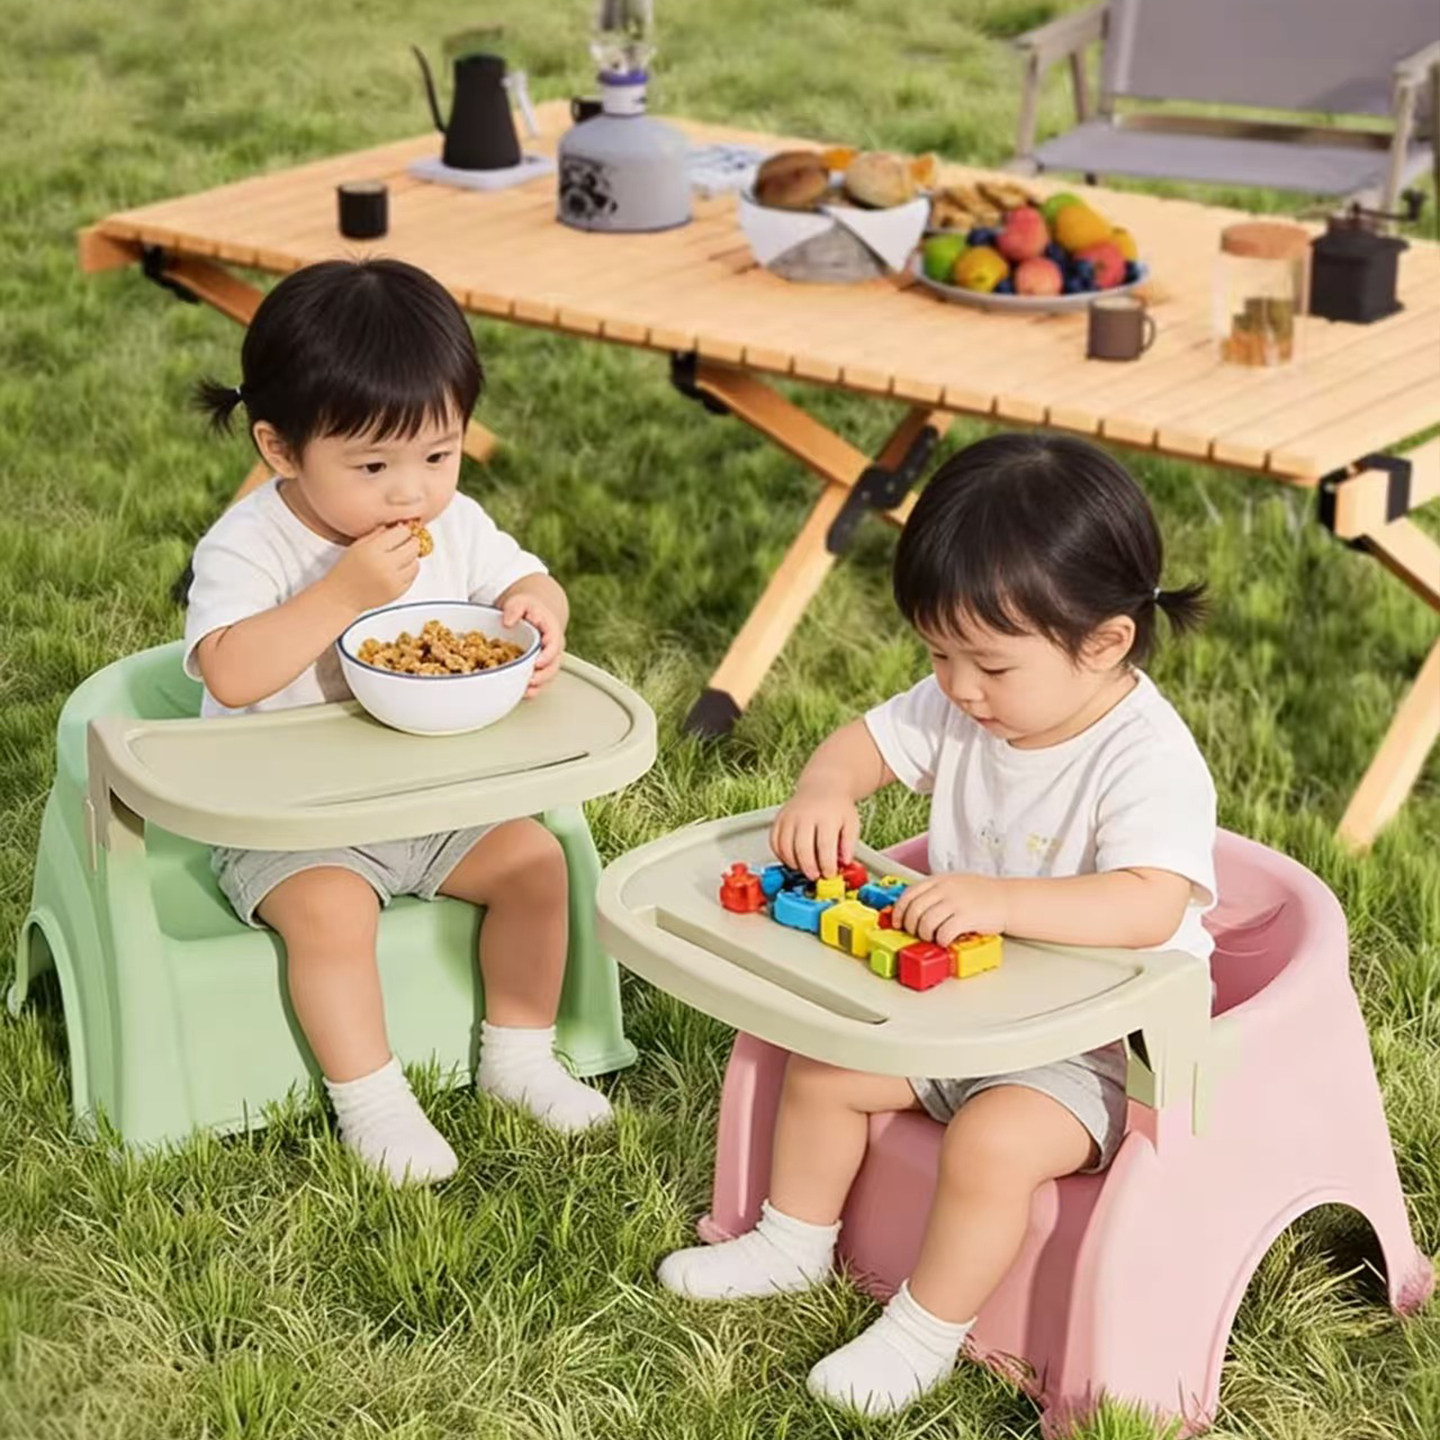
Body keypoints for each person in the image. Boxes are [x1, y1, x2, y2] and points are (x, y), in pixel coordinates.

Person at [657, 432, 1217, 1415]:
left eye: (988, 664)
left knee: (992, 1144)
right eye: (938, 653)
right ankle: (792, 1242)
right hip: (958, 1007)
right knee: (824, 1066)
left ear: (1104, 644)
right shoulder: (968, 704)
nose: (958, 687)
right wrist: (827, 790)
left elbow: (1149, 904)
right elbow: (861, 746)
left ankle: (923, 1332)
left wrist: (1001, 901)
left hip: (1091, 1049)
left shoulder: (1145, 760)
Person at [186, 257, 611, 1186]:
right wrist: (342, 593)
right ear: (282, 450)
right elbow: (230, 670)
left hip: (435, 796)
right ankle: (373, 1101)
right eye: (373, 466)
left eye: (438, 455)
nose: (411, 493)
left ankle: (520, 1058)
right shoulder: (250, 544)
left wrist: (539, 614)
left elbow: (525, 578)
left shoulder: (453, 525)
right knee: (332, 916)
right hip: (293, 818)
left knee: (539, 868)